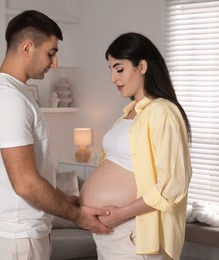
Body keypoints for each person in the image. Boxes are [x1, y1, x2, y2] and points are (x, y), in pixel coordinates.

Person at [0, 10, 111, 260]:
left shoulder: (14, 93)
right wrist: (78, 217)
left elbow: (30, 174)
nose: (55, 63)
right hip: (15, 240)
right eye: (51, 53)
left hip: (21, 236)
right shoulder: (9, 100)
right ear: (27, 48)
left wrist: (61, 199)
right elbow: (25, 183)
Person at [80, 32, 192, 260]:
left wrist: (121, 214)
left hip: (133, 233)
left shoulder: (162, 111)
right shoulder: (130, 112)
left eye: (119, 69)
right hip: (111, 233)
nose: (113, 78)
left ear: (142, 66)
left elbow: (172, 183)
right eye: (110, 69)